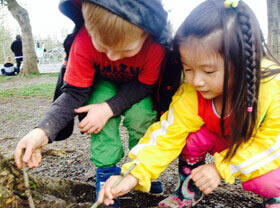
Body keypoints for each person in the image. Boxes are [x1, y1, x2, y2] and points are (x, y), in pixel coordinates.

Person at [97, 0, 280, 208]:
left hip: (265, 150)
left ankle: (276, 197)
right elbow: (167, 135)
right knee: (189, 138)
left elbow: (272, 146)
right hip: (225, 139)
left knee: (265, 181)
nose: (196, 81)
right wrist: (132, 174)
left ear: (243, 62)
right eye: (188, 69)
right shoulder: (192, 93)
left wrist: (221, 169)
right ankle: (188, 190)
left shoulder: (272, 90)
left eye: (208, 71)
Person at [14, 0, 172, 207]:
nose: (113, 57)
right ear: (88, 27)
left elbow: (145, 86)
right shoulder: (83, 41)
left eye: (125, 50)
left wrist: (109, 108)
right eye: (103, 47)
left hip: (137, 86)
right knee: (95, 114)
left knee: (141, 116)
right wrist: (42, 131)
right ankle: (106, 172)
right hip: (100, 82)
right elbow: (74, 93)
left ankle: (142, 169)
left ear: (146, 34)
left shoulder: (155, 47)